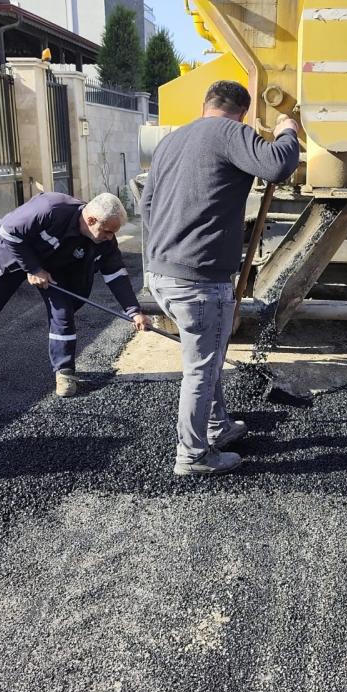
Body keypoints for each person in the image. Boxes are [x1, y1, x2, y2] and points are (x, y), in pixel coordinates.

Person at [140, 80, 301, 477]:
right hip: (198, 280)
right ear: (242, 112)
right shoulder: (232, 133)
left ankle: (217, 426)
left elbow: (146, 203)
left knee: (205, 358)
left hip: (162, 274)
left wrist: (169, 248)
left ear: (204, 103)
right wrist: (287, 130)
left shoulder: (172, 141)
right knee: (201, 369)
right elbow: (279, 165)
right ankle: (192, 456)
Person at [0, 192, 149, 396]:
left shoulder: (104, 240)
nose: (110, 238)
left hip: (52, 260)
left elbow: (116, 274)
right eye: (107, 232)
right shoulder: (50, 209)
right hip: (9, 251)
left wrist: (134, 311)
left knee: (63, 311)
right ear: (91, 220)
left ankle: (64, 373)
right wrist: (33, 269)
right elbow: (9, 232)